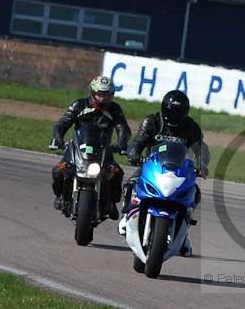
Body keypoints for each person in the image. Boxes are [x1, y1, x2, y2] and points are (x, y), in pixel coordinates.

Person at [118, 90, 211, 256]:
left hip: (179, 170)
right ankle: (126, 217)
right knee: (130, 184)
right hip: (152, 166)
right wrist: (133, 153)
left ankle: (184, 233)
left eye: (180, 112)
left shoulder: (191, 127)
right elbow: (137, 142)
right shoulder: (152, 121)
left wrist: (202, 164)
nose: (175, 115)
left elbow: (200, 148)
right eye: (172, 111)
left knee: (194, 193)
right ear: (164, 109)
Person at [49, 75, 131, 220]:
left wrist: (122, 145)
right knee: (58, 170)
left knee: (117, 173)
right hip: (78, 147)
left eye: (107, 96)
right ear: (92, 93)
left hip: (103, 150)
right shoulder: (79, 105)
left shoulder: (115, 109)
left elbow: (123, 128)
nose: (103, 99)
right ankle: (60, 196)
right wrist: (57, 139)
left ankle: (111, 203)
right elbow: (63, 122)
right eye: (100, 95)